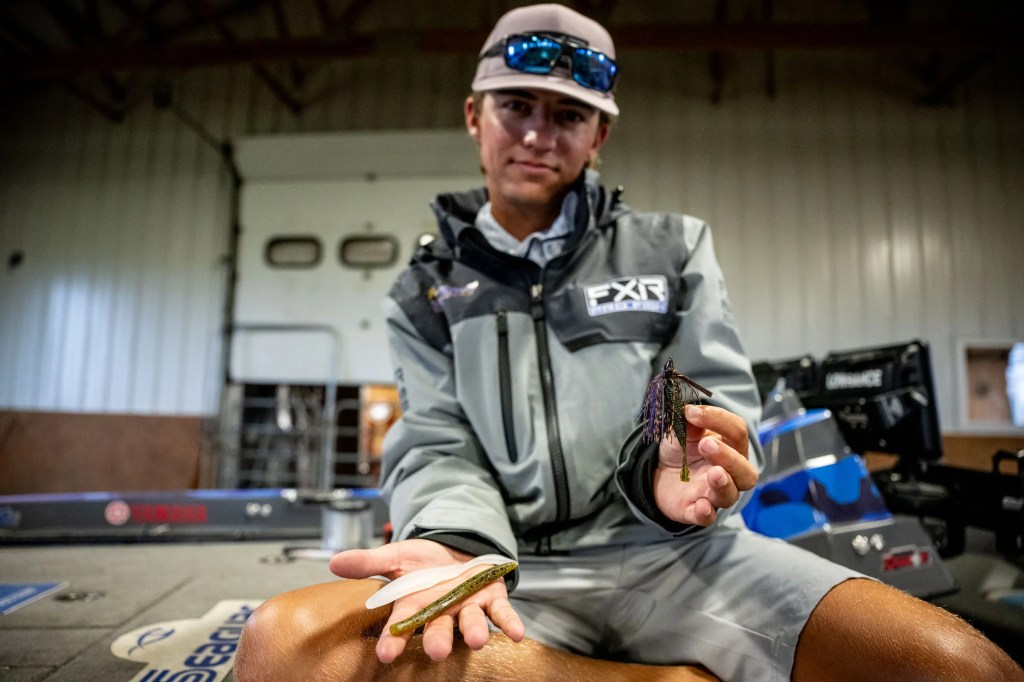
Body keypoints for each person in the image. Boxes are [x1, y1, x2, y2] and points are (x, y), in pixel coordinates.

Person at [235, 4, 1022, 681]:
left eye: (568, 115)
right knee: (283, 647)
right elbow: (440, 442)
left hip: (677, 556)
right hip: (509, 567)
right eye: (517, 106)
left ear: (599, 134)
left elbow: (703, 396)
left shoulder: (672, 250)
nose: (538, 133)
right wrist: (457, 547)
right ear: (474, 116)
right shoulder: (425, 290)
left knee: (963, 668)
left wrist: (678, 469)